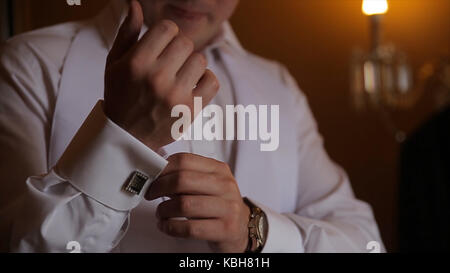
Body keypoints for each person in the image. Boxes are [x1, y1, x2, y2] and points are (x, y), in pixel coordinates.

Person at [0, 0, 384, 253]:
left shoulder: (279, 84)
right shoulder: (31, 63)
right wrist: (125, 137)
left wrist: (255, 231)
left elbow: (365, 242)